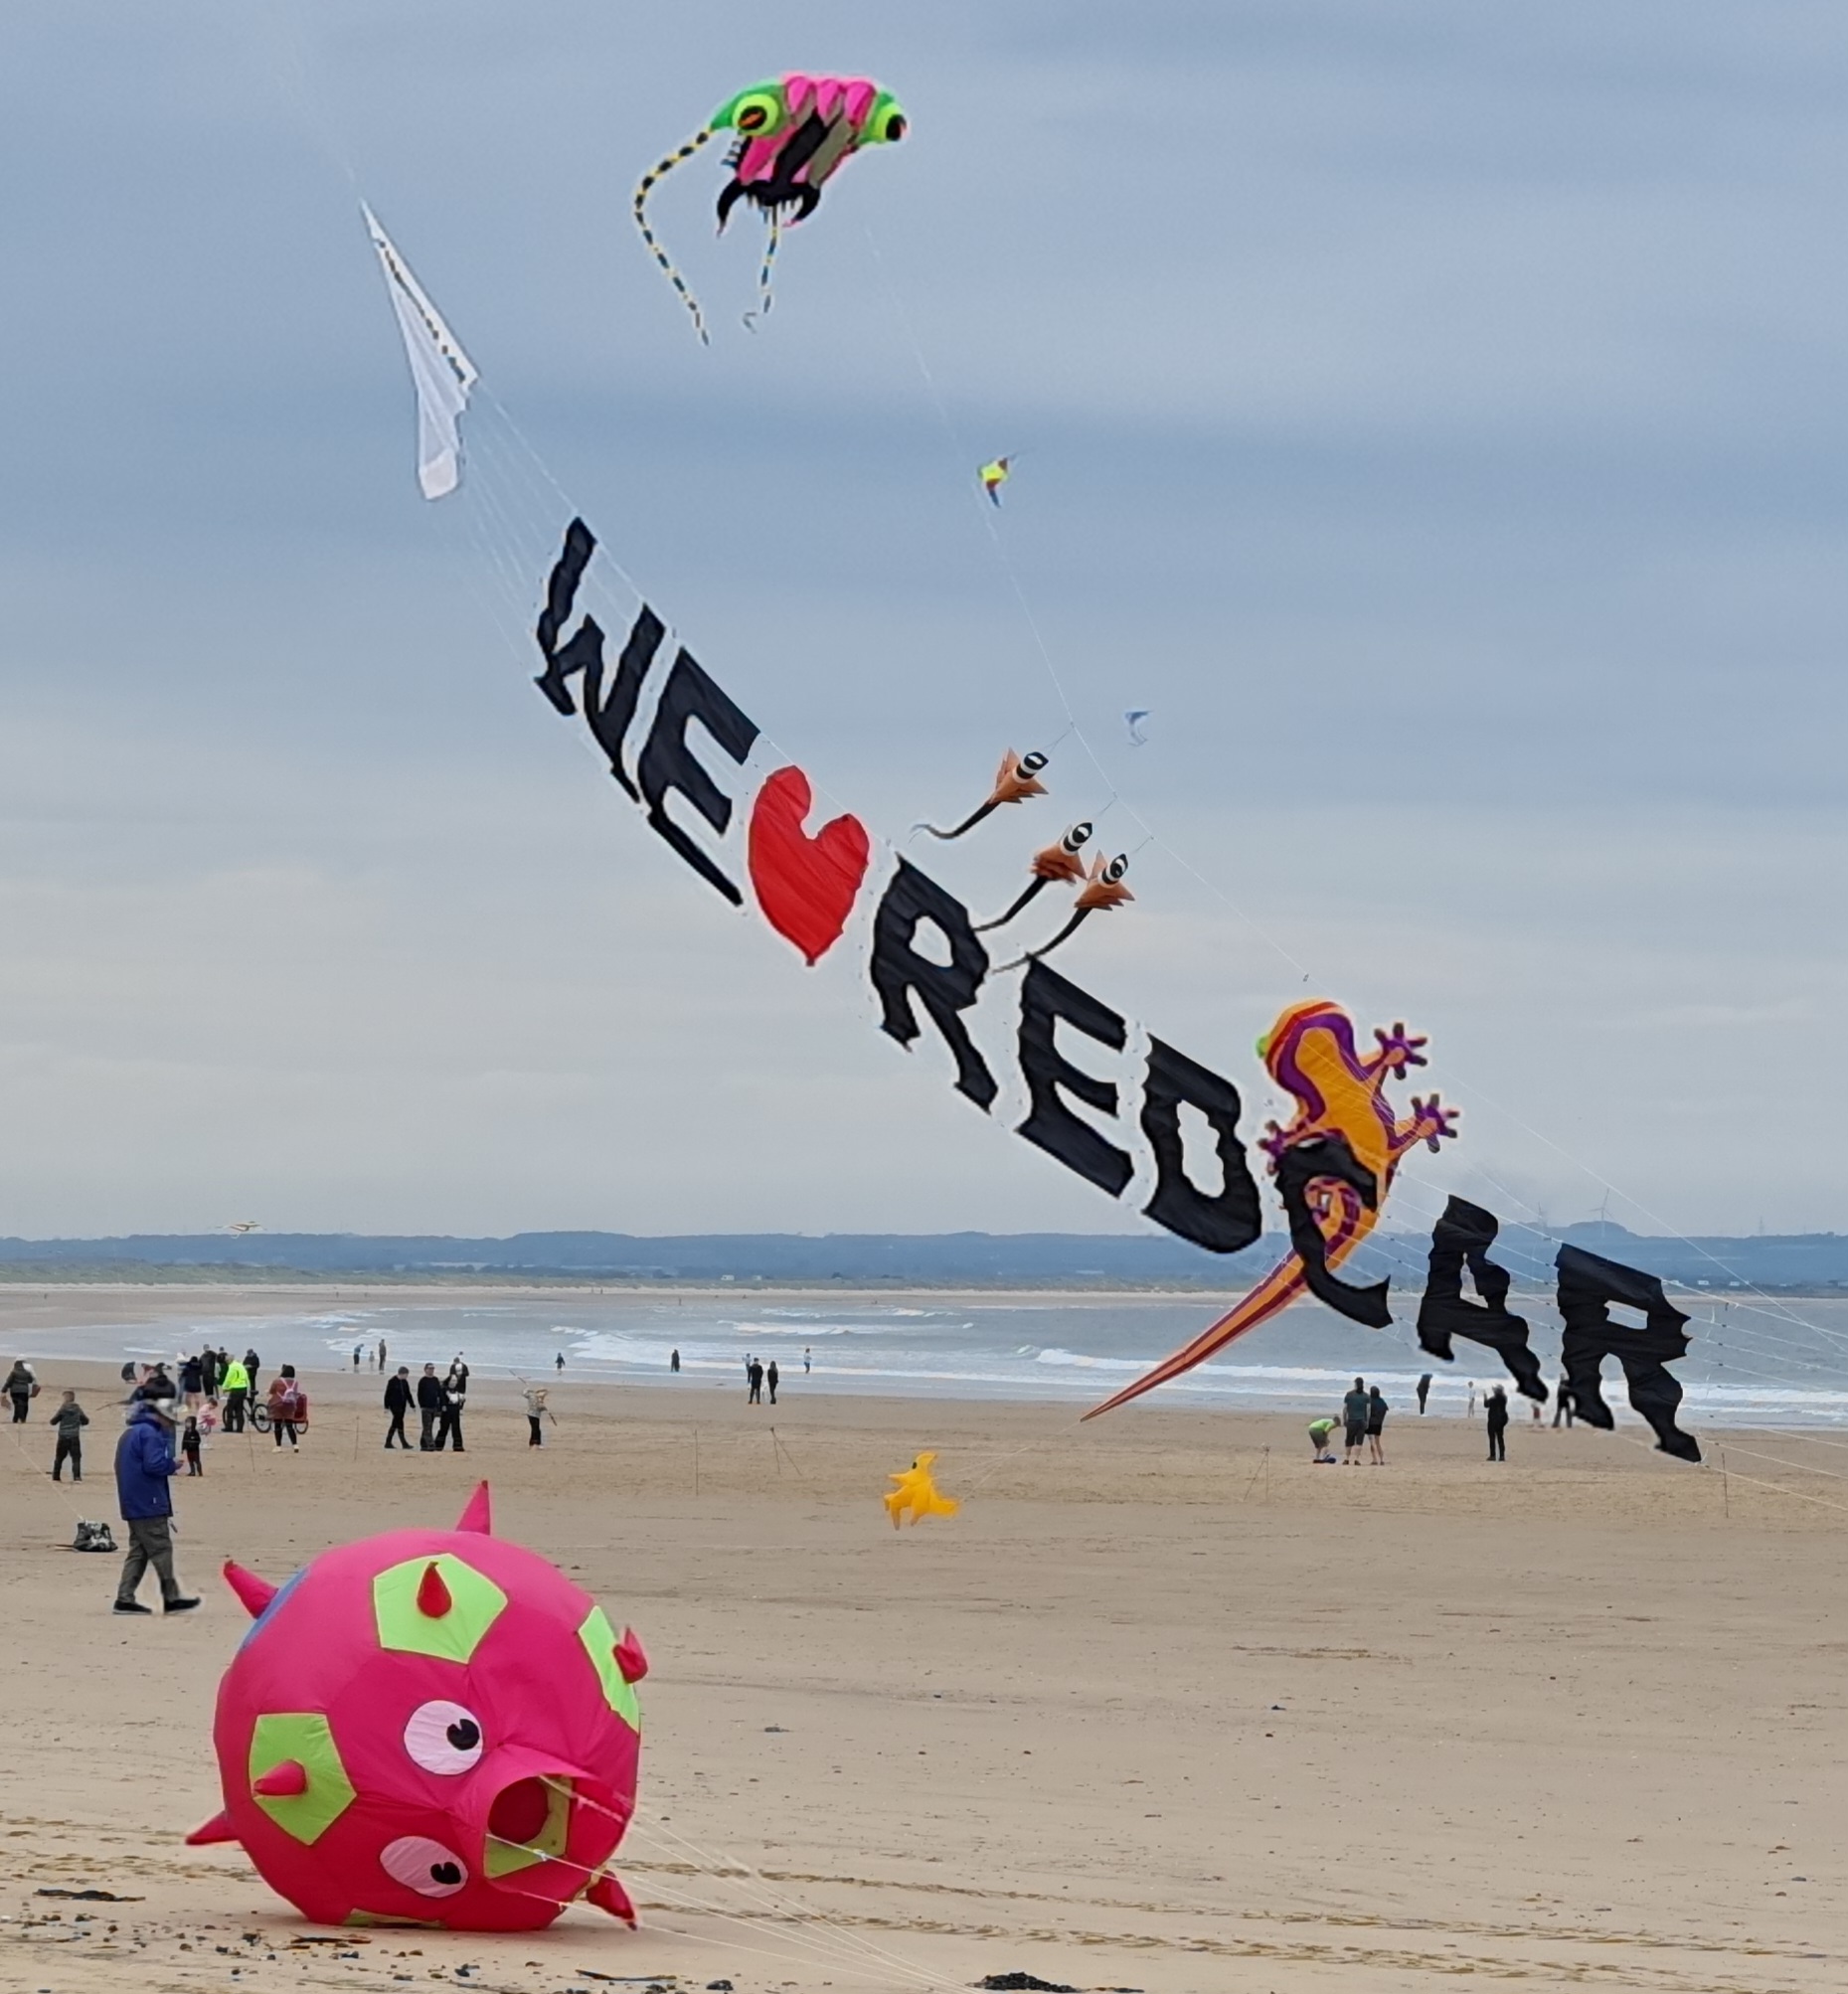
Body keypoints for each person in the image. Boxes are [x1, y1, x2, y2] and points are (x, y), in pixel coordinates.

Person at [113, 1396, 197, 1615]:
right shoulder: (150, 1434)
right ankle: (171, 1598)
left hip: (132, 1500)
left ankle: (124, 1598)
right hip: (147, 1501)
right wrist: (172, 1464)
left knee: (139, 1551)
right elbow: (154, 1464)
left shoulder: (130, 1433)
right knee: (161, 1548)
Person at [51, 1389, 87, 1482]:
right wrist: (79, 1422)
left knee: (59, 1457)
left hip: (63, 1436)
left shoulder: (63, 1408)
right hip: (74, 1436)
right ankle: (77, 1477)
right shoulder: (77, 1409)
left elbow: (53, 1421)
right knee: (76, 1458)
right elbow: (85, 1421)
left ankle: (56, 1476)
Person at [267, 1366, 307, 1449]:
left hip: (278, 1404)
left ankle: (278, 1446)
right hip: (290, 1405)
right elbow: (295, 1393)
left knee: (277, 1425)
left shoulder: (277, 1381)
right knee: (290, 1425)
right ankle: (295, 1445)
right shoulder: (295, 1383)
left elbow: (272, 1391)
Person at [436, 1362, 467, 1453]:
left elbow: (460, 1401)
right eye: (452, 1381)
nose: (454, 1383)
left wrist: (462, 1401)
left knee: (456, 1428)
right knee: (444, 1428)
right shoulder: (444, 1390)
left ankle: (458, 1446)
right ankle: (438, 1446)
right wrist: (443, 1407)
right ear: (449, 1381)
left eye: (455, 1381)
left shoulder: (457, 1390)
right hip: (446, 1412)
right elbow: (441, 1400)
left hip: (455, 1411)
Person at [383, 1366, 414, 1449]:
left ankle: (390, 1442)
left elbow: (408, 1394)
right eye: (406, 1374)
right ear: (402, 1374)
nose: (407, 1376)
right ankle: (401, 1443)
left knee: (397, 1423)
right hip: (394, 1405)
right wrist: (386, 1406)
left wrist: (412, 1404)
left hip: (402, 1405)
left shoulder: (404, 1382)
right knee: (398, 1423)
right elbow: (387, 1394)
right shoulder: (392, 1381)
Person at [1341, 1377, 1370, 1464]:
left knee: (1349, 1440)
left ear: (1355, 1384)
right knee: (1359, 1441)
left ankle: (1347, 1458)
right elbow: (1368, 1410)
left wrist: (1344, 1418)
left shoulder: (1349, 1395)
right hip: (1361, 1421)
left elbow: (1345, 1409)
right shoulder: (1366, 1396)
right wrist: (1367, 1421)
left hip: (1351, 1420)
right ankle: (1357, 1459)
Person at [416, 1364, 444, 1450]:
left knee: (429, 1426)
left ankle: (423, 1443)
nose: (431, 1370)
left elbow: (440, 1393)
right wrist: (422, 1405)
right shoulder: (423, 1381)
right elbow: (419, 1394)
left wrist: (441, 1405)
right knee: (427, 1426)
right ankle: (430, 1445)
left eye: (432, 1369)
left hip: (434, 1407)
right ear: (425, 1369)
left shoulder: (435, 1380)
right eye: (430, 1369)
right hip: (425, 1407)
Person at [220, 1353, 250, 1432]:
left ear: (228, 1361)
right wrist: (247, 1387)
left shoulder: (232, 1367)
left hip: (236, 1389)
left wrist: (224, 1387)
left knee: (230, 1408)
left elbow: (229, 1378)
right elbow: (246, 1376)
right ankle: (240, 1428)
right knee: (239, 1409)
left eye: (226, 1361)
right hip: (243, 1388)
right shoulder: (240, 1365)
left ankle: (229, 1427)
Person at [1485, 1385, 1509, 1462]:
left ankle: (1493, 1455)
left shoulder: (1493, 1399)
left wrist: (1485, 1397)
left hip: (1493, 1420)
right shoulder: (1504, 1399)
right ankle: (1502, 1456)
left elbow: (1486, 1405)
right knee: (1500, 1437)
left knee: (1492, 1438)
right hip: (1501, 1420)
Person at [1366, 1384, 1389, 1464]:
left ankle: (1375, 1459)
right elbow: (1385, 1409)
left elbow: (1367, 1411)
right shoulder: (1381, 1401)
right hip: (1379, 1424)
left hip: (1370, 1423)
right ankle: (1381, 1459)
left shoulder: (1369, 1401)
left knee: (1372, 1442)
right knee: (1377, 1442)